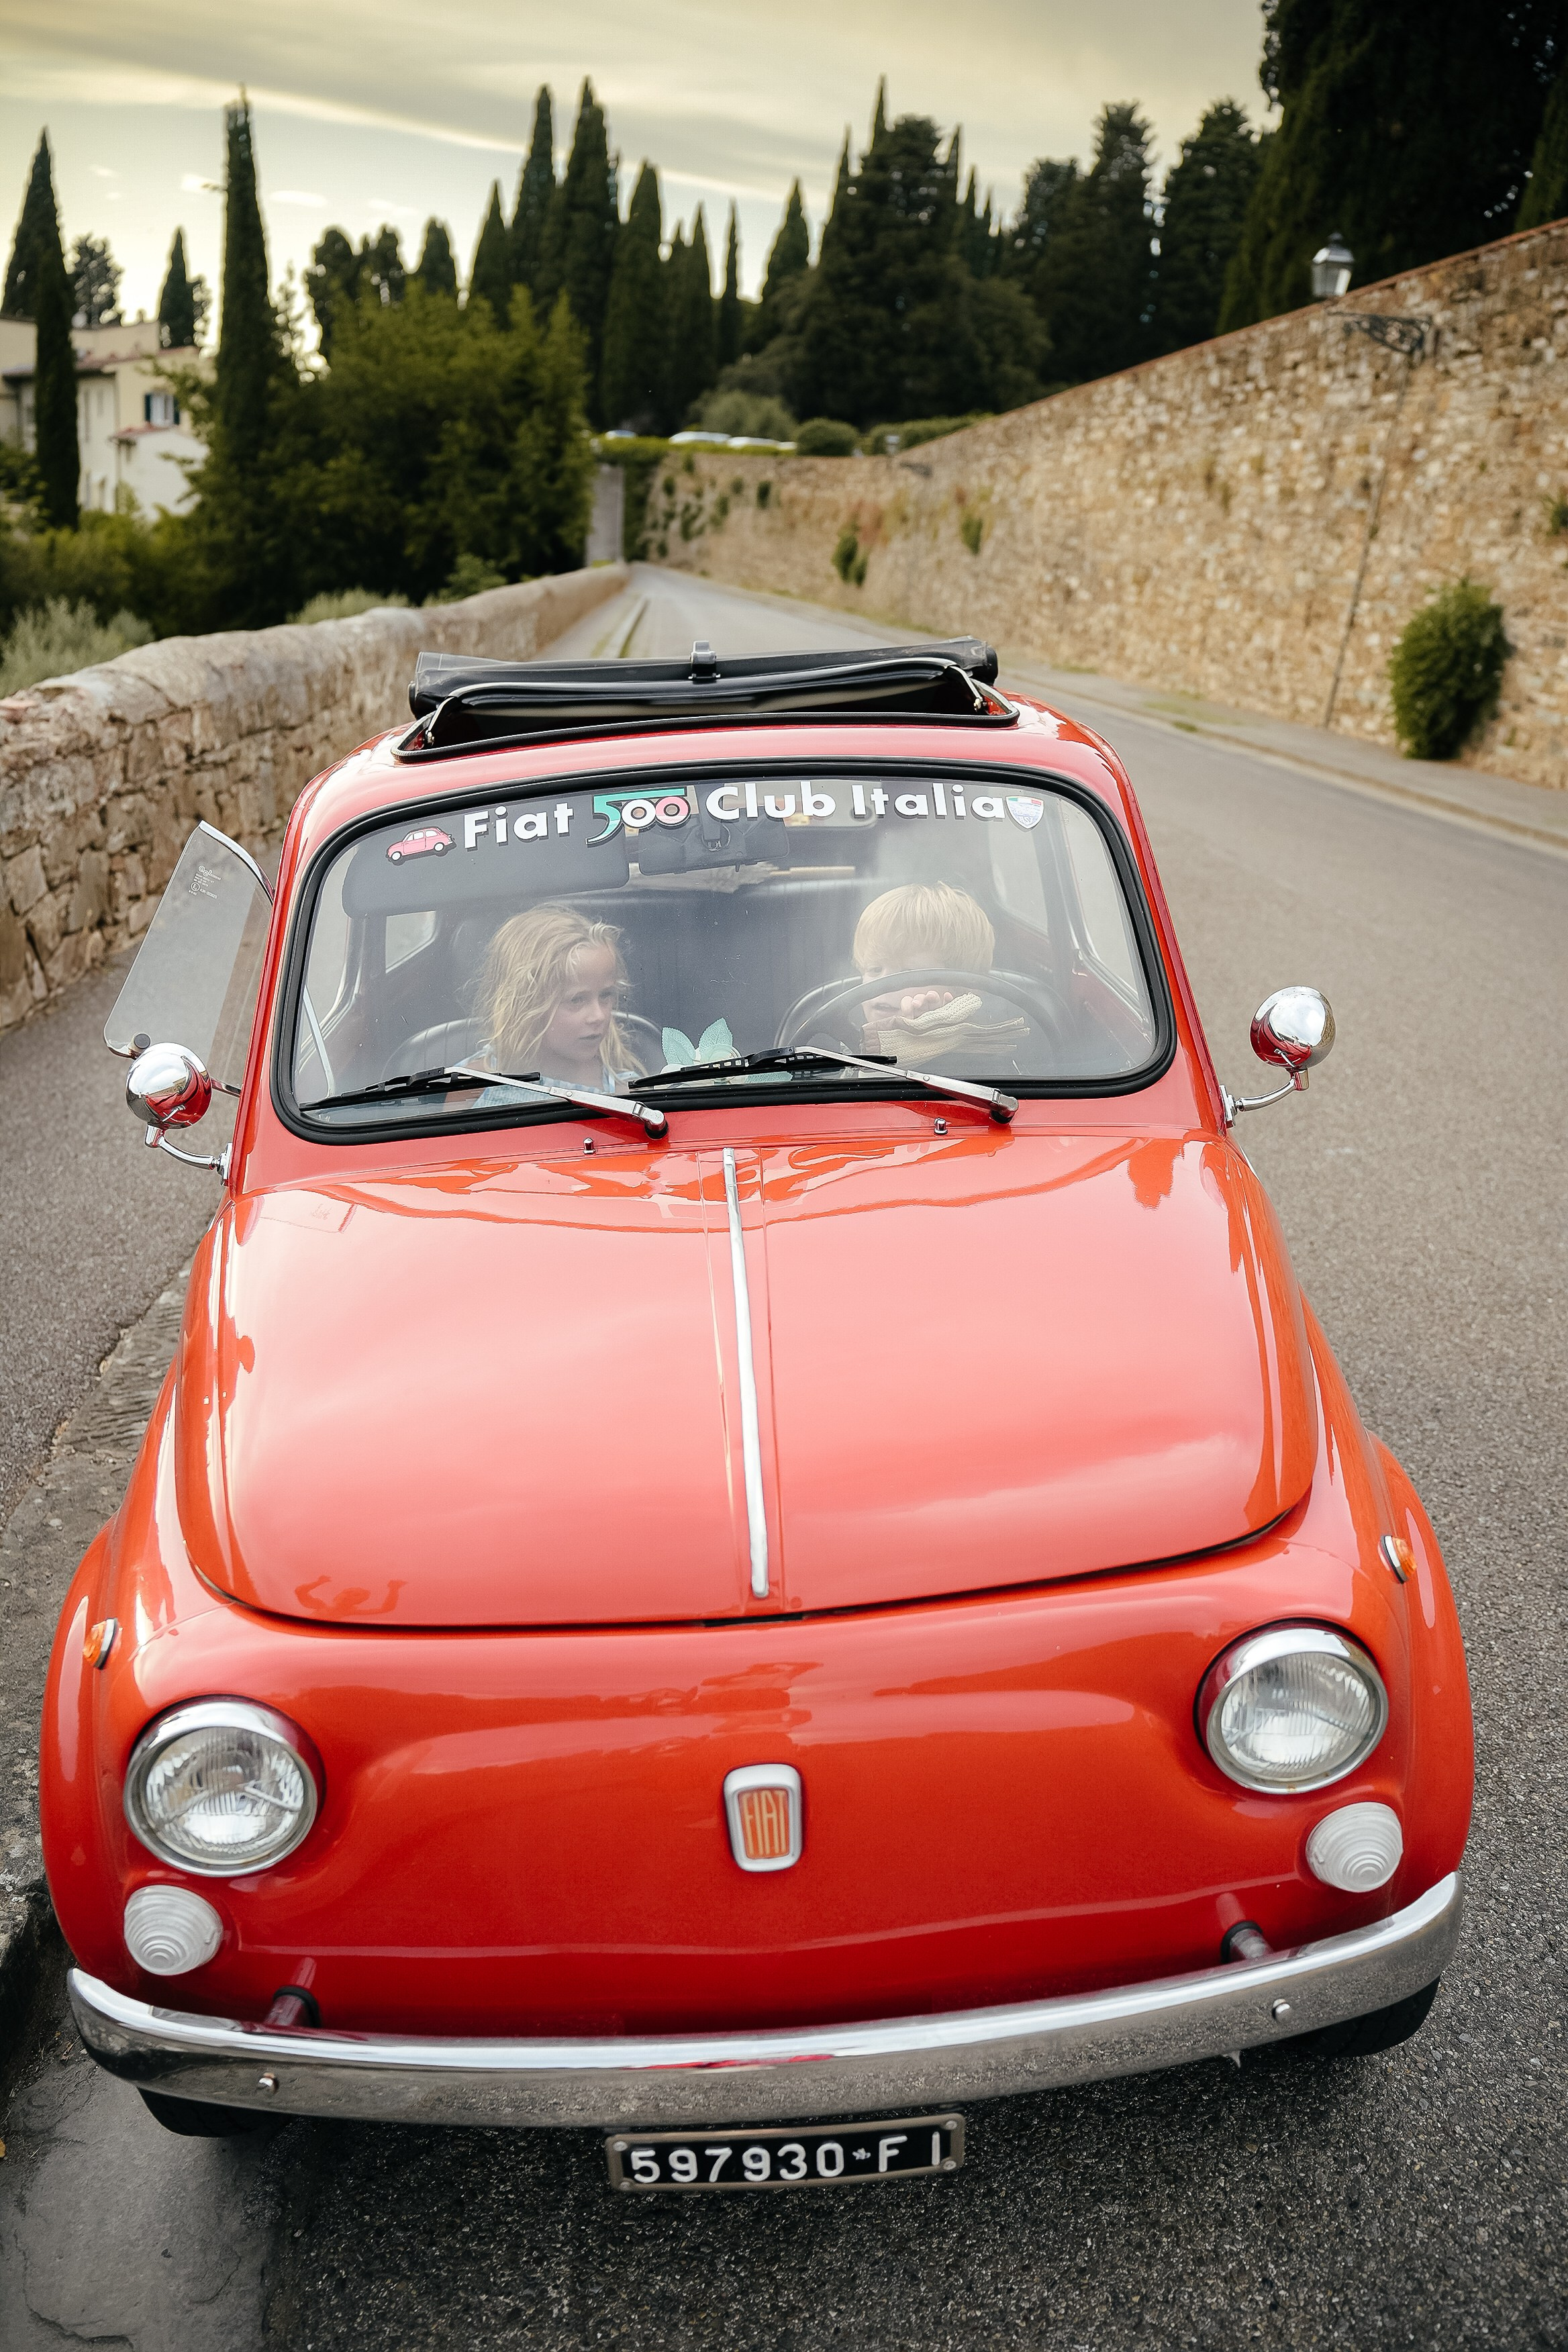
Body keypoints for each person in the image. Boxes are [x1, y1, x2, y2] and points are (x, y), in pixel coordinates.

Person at [850, 881, 1028, 1069]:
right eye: (874, 969)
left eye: (907, 972)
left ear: (967, 987)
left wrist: (931, 1045)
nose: (882, 984)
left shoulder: (990, 1056)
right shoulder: (837, 1049)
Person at [475, 904, 642, 1096]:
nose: (599, 1016)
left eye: (606, 995)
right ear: (526, 1003)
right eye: (577, 1000)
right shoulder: (472, 1086)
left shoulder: (625, 1092)